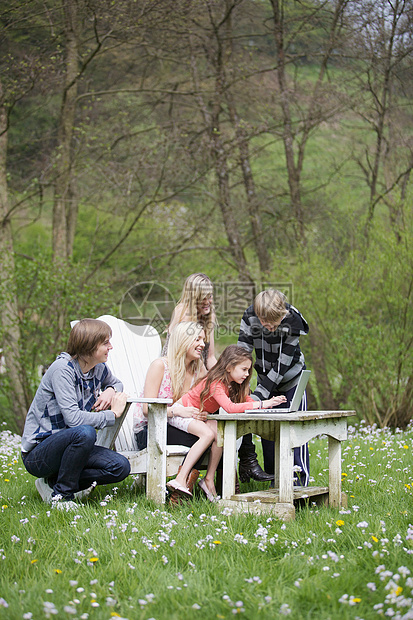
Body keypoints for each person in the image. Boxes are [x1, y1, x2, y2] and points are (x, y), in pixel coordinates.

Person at [21, 319, 131, 509]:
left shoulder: (99, 368)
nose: (110, 347)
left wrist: (111, 389)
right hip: (39, 454)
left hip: (71, 447)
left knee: (120, 467)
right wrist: (112, 415)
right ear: (89, 345)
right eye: (105, 343)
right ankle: (63, 496)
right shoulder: (62, 370)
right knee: (85, 432)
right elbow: (74, 419)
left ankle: (53, 483)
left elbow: (117, 382)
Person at [174, 344, 286, 499]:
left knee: (220, 432)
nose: (247, 374)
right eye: (244, 369)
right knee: (207, 434)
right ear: (228, 367)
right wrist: (261, 404)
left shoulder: (233, 385)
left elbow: (245, 401)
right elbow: (230, 407)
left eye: (248, 370)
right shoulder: (215, 383)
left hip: (196, 417)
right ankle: (180, 478)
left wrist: (270, 403)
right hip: (180, 413)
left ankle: (208, 479)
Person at [237, 289, 310, 486]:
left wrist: (259, 396)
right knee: (268, 433)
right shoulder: (249, 317)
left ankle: (299, 484)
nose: (267, 326)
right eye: (263, 321)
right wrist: (239, 387)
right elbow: (242, 353)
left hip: (291, 380)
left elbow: (282, 364)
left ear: (281, 315)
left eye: (272, 323)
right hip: (264, 379)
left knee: (295, 432)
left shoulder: (293, 321)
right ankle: (275, 481)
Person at [133, 321, 209, 500]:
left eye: (203, 339)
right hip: (151, 430)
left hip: (176, 426)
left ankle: (182, 487)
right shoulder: (160, 366)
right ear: (183, 340)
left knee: (213, 435)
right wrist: (177, 412)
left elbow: (198, 402)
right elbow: (146, 409)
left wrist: (200, 412)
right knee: (204, 438)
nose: (203, 344)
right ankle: (181, 488)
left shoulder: (198, 369)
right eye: (197, 339)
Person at [162, 273, 217, 370]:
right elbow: (183, 358)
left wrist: (221, 376)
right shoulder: (183, 313)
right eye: (202, 298)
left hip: (198, 371)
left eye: (209, 296)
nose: (207, 302)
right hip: (177, 369)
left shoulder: (209, 315)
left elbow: (210, 358)